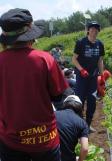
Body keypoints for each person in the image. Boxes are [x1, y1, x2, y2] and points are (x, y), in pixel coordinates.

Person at [0, 8, 68, 161]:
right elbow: (58, 98)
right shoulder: (45, 59)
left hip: (10, 141)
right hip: (44, 139)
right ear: (30, 36)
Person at [72, 21, 104, 132]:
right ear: (88, 30)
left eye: (96, 30)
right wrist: (81, 70)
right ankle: (79, 124)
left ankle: (88, 124)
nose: (94, 31)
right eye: (92, 29)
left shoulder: (100, 44)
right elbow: (74, 59)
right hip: (81, 77)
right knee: (79, 100)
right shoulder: (81, 42)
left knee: (92, 101)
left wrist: (102, 75)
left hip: (93, 78)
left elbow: (100, 60)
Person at [55, 95, 89, 161]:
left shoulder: (53, 115)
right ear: (79, 108)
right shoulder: (82, 123)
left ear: (64, 105)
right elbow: (85, 149)